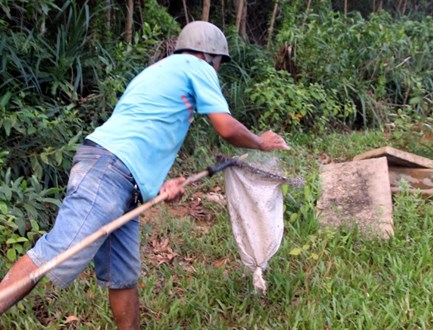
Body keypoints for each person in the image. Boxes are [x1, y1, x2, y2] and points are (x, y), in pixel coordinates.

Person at [0, 21, 289, 328]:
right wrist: (260, 142)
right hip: (109, 171)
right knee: (56, 250)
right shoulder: (196, 65)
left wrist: (158, 187)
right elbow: (226, 127)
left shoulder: (157, 74)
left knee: (122, 277)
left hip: (118, 175)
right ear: (211, 56)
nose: (216, 72)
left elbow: (140, 136)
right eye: (218, 65)